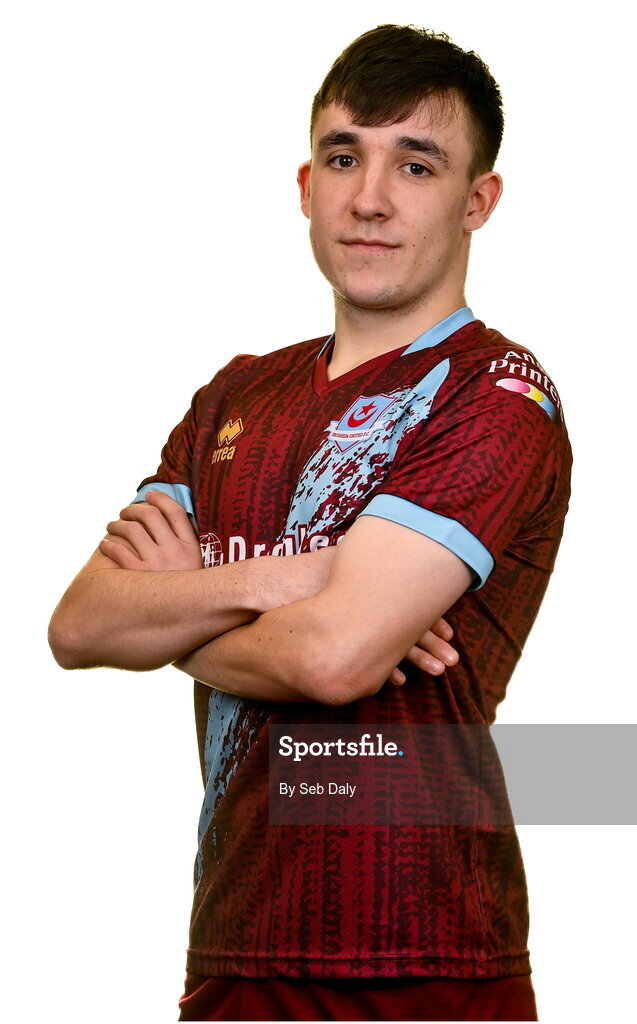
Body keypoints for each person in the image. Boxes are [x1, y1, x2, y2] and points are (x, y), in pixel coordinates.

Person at [48, 23, 571, 1023]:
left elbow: (332, 659)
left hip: (425, 954)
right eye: (344, 156)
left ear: (477, 201)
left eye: (415, 164)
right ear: (305, 183)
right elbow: (79, 627)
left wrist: (170, 615)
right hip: (235, 937)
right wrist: (291, 578)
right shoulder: (233, 396)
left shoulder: (496, 393)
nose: (369, 196)